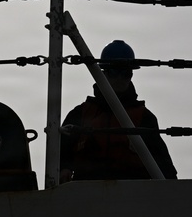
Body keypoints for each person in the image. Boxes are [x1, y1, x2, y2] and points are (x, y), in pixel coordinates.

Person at [59, 40, 177, 182]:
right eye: (114, 71)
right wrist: (64, 168)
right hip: (86, 195)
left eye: (126, 73)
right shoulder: (79, 114)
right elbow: (60, 154)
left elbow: (165, 168)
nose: (120, 78)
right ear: (103, 73)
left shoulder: (145, 118)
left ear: (132, 74)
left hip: (132, 196)